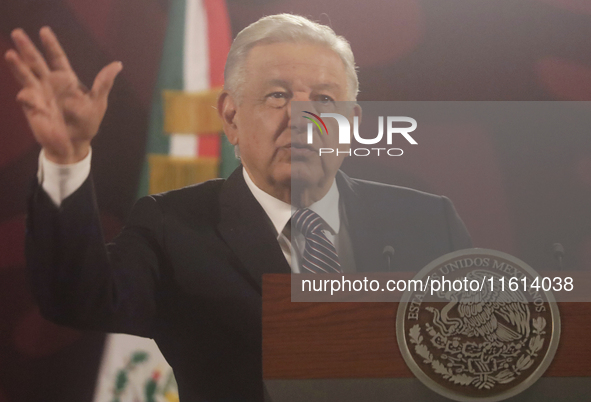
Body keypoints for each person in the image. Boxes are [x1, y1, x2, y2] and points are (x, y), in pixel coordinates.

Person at [5, 14, 471, 401]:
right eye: (278, 95)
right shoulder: (172, 228)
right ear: (230, 116)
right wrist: (66, 160)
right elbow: (77, 299)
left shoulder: (429, 222)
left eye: (325, 99)